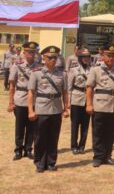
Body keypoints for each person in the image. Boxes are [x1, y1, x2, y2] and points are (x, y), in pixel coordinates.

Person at [27, 45, 69, 173]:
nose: (53, 60)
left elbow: (65, 93)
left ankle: (51, 162)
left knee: (53, 137)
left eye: (55, 58)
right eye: (50, 58)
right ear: (44, 58)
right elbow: (31, 93)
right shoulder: (36, 73)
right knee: (40, 137)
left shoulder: (62, 74)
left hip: (56, 109)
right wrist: (30, 110)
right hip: (41, 109)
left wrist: (66, 108)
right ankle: (40, 162)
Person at [86, 43, 114, 167]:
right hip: (99, 105)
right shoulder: (96, 70)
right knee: (98, 132)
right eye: (108, 56)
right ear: (103, 56)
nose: (111, 58)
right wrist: (88, 104)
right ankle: (98, 157)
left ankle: (108, 156)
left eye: (113, 56)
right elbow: (89, 88)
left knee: (111, 133)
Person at [8, 41, 39, 161]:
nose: (31, 54)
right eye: (29, 52)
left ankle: (28, 149)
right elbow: (12, 86)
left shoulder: (39, 66)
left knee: (32, 127)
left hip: (34, 101)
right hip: (20, 99)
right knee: (20, 127)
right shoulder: (17, 65)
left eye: (33, 52)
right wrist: (11, 102)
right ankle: (18, 150)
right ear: (24, 53)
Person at [67, 48, 92, 154]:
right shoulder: (74, 70)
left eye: (88, 57)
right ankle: (74, 146)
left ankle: (82, 146)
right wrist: (68, 101)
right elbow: (69, 87)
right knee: (75, 124)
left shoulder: (93, 70)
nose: (86, 59)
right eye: (84, 57)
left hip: (88, 100)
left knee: (85, 124)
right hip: (76, 99)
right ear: (80, 58)